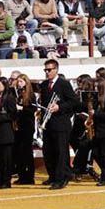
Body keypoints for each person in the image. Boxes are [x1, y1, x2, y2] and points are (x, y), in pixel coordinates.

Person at [37, 58, 80, 189]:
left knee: (61, 152)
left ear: (56, 70)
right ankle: (53, 176)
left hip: (61, 123)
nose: (47, 72)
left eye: (49, 70)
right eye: (45, 70)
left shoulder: (63, 84)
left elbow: (73, 102)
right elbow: (44, 103)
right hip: (48, 123)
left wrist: (59, 107)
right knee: (48, 151)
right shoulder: (44, 85)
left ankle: (61, 179)